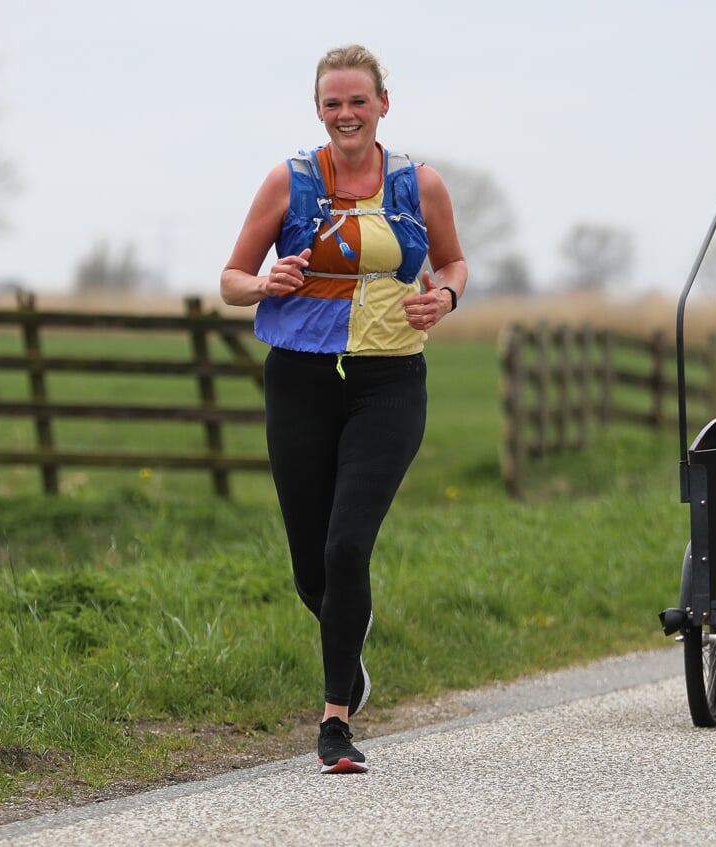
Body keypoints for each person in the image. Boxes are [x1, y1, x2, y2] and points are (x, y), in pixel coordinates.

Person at [219, 44, 467, 775]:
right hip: (298, 380)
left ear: (383, 104)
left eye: (358, 101)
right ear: (318, 110)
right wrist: (266, 282)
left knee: (347, 544)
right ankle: (348, 659)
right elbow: (231, 279)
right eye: (333, 103)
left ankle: (334, 719)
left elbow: (452, 263)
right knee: (310, 569)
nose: (346, 114)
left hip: (387, 381)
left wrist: (444, 296)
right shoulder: (287, 182)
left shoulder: (419, 183)